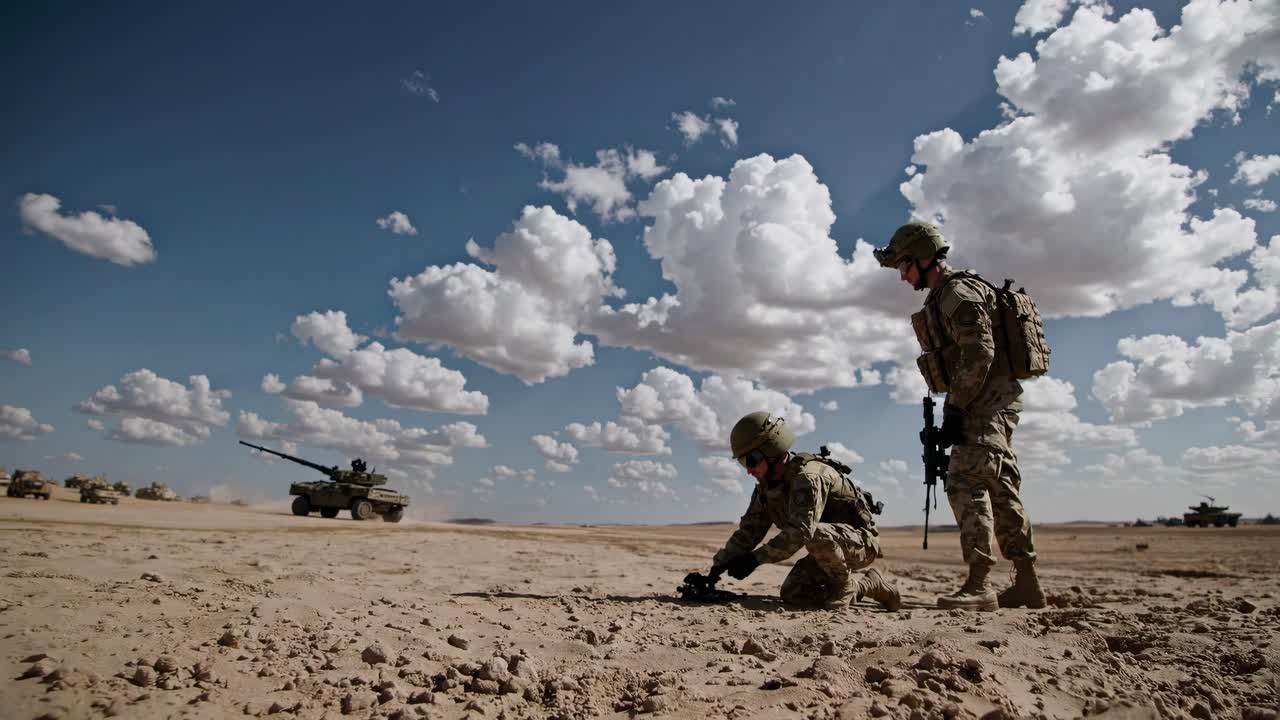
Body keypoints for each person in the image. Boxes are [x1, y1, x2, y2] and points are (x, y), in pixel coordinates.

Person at [874, 220, 1045, 610]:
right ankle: (1028, 585)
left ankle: (981, 584)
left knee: (965, 482)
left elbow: (980, 353)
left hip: (983, 402)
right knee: (1000, 487)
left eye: (904, 267)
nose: (902, 277)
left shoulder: (957, 294)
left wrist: (955, 407)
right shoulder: (949, 294)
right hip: (988, 401)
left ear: (922, 258)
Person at [710, 411, 901, 611]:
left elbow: (801, 532)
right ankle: (870, 585)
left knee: (813, 532)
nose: (748, 470)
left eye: (751, 461)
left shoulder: (807, 478)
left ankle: (843, 585)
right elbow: (749, 532)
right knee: (794, 593)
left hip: (860, 543)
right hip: (826, 549)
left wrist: (755, 559)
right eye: (743, 463)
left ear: (771, 450)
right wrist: (716, 569)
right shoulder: (766, 488)